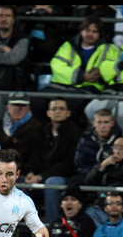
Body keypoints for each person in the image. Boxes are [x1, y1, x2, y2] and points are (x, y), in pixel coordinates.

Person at [32, 15, 118, 123]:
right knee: (37, 100)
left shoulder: (109, 48)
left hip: (90, 88)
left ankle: (66, 134)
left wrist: (101, 73)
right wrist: (81, 76)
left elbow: (112, 67)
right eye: (87, 30)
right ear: (81, 31)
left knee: (71, 104)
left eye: (94, 31)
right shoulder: (68, 45)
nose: (90, 34)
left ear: (99, 34)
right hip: (61, 85)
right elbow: (57, 65)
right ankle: (47, 131)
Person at [24, 97, 83, 226]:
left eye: (61, 109)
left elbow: (68, 165)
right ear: (48, 113)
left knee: (52, 183)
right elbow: (35, 157)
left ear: (68, 113)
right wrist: (31, 173)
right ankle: (16, 228)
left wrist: (40, 177)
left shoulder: (75, 133)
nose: (57, 112)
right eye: (54, 109)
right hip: (41, 177)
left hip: (64, 178)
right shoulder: (43, 131)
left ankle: (51, 227)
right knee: (18, 182)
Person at [0, 91, 42, 170]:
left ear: (28, 108)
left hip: (23, 169)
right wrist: (13, 141)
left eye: (23, 105)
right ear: (8, 107)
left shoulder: (36, 127)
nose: (18, 109)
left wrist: (0, 140)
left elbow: (24, 152)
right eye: (14, 105)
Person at [74, 108, 122, 178]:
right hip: (87, 177)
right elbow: (79, 167)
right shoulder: (84, 140)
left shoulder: (120, 141)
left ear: (112, 123)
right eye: (99, 122)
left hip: (110, 178)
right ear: (94, 124)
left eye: (106, 122)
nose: (103, 126)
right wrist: (100, 166)